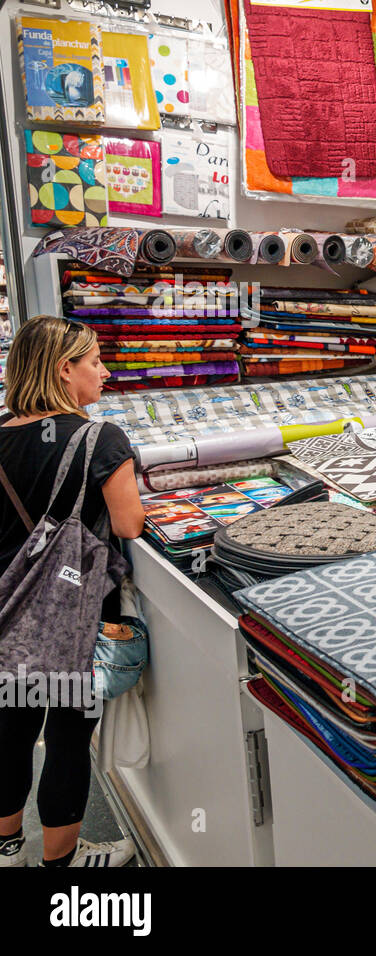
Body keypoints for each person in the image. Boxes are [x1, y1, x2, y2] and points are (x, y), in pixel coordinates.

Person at [0, 316, 144, 868]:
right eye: (95, 362)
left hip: (8, 609)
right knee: (65, 739)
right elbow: (129, 524)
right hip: (72, 615)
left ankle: (8, 846)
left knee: (11, 731)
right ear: (65, 370)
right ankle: (62, 864)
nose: (103, 373)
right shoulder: (99, 438)